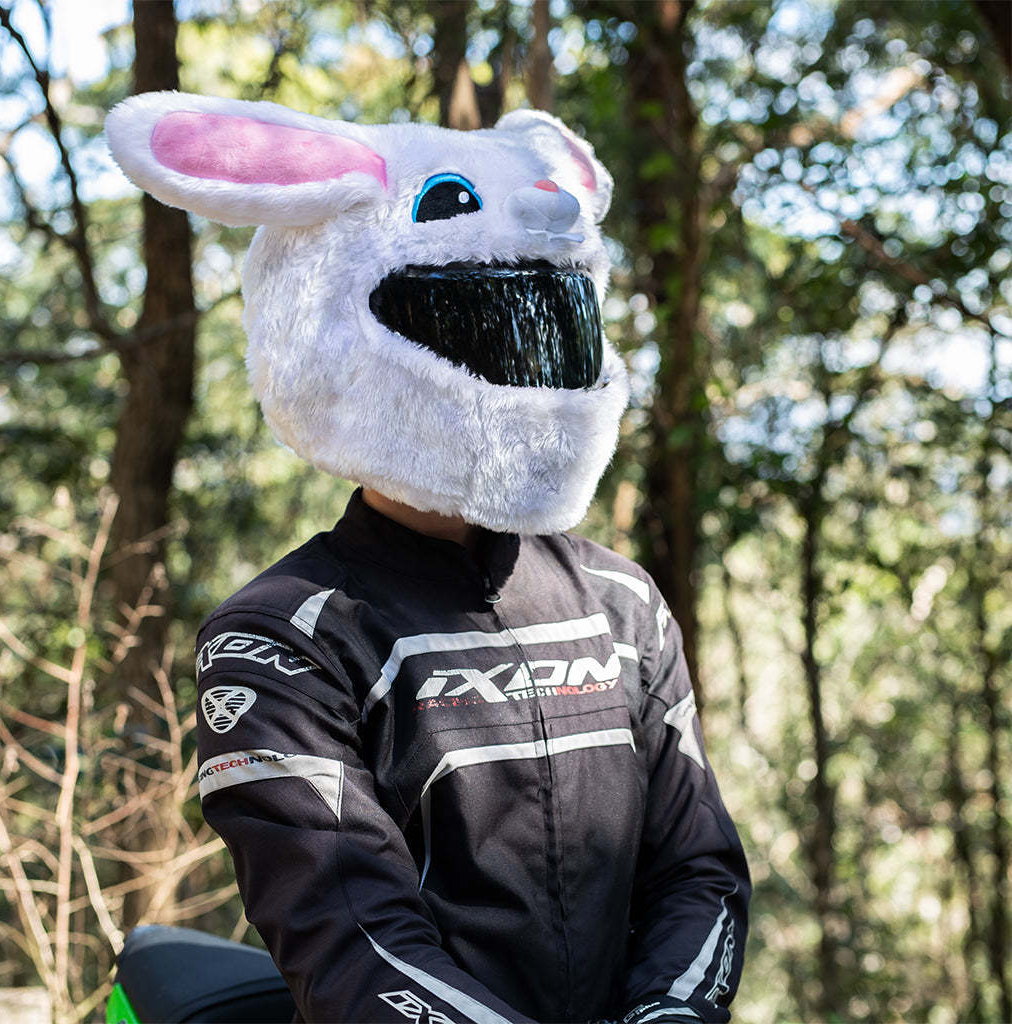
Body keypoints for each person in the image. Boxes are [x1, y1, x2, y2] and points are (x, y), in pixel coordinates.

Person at [107, 91, 750, 1024]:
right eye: (476, 324)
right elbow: (349, 934)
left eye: (547, 322)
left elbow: (698, 867)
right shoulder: (279, 635)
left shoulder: (622, 602)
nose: (519, 362)